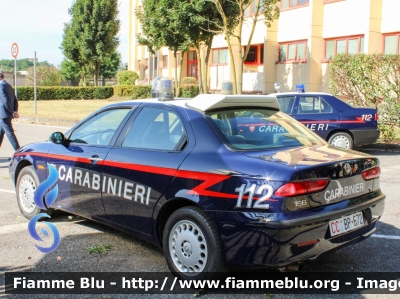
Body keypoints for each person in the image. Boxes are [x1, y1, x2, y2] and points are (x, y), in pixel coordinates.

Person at [0, 72, 20, 151]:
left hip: (4, 114)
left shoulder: (1, 86)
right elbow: (15, 100)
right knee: (1, 132)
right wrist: (15, 110)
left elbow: (5, 101)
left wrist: (12, 111)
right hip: (6, 113)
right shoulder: (8, 85)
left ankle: (19, 152)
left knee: (10, 133)